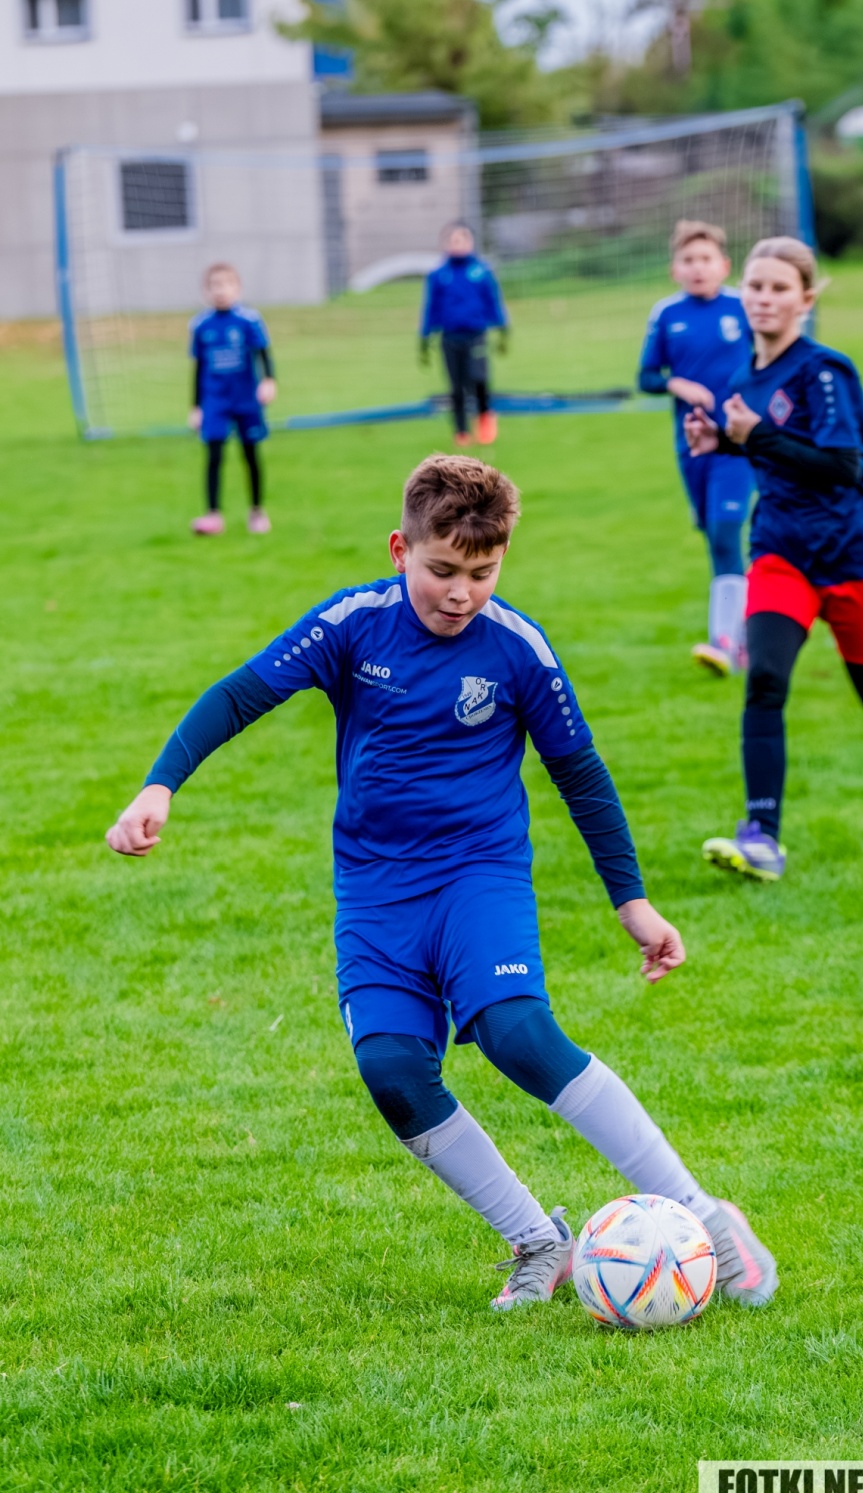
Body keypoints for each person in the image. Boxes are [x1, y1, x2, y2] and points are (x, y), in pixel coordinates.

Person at [106, 454, 777, 1312]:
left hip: (477, 874)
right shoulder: (353, 624)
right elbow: (239, 695)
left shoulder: (518, 649)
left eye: (482, 573)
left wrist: (632, 902)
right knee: (392, 1070)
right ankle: (538, 1239)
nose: (461, 593)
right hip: (376, 889)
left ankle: (705, 1215)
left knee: (518, 1033)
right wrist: (160, 784)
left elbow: (581, 775)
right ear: (400, 549)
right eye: (442, 569)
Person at [685, 237, 863, 882]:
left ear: (805, 300)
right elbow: (770, 450)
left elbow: (843, 466)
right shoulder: (744, 377)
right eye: (755, 286)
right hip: (781, 551)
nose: (764, 298)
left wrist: (756, 435)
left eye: (779, 288)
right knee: (764, 680)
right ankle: (762, 836)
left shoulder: (824, 372)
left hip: (855, 556)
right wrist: (723, 443)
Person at [637, 220, 756, 677]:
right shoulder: (667, 314)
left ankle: (724, 640)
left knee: (726, 533)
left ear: (724, 265)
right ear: (675, 269)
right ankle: (745, 637)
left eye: (706, 259)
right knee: (716, 537)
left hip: (738, 445)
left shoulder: (743, 307)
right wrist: (678, 384)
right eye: (689, 260)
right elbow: (647, 377)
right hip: (692, 446)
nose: (698, 267)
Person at [188, 262, 277, 537]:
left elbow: (263, 353)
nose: (220, 290)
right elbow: (198, 368)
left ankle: (257, 511)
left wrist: (268, 380)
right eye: (214, 285)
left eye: (226, 284)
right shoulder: (201, 325)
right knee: (214, 455)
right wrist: (195, 406)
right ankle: (213, 515)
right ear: (206, 291)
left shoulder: (249, 320)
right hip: (215, 400)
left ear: (237, 288)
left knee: (250, 454)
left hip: (245, 398)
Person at [420, 222, 508, 449]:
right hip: (450, 336)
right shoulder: (439, 275)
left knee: (478, 378)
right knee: (456, 385)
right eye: (453, 240)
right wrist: (425, 336)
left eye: (462, 240)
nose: (458, 244)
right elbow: (431, 307)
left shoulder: (481, 271)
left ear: (470, 242)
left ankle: (485, 418)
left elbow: (492, 300)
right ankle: (461, 430)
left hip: (476, 334)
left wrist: (502, 327)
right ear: (445, 244)